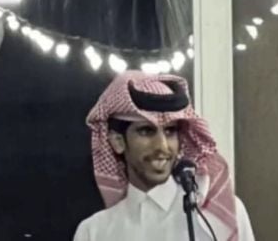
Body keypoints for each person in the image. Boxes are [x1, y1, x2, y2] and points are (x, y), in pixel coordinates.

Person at [74, 71, 255, 240]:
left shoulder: (218, 218)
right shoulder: (94, 232)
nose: (162, 146)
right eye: (146, 131)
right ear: (118, 142)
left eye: (170, 131)